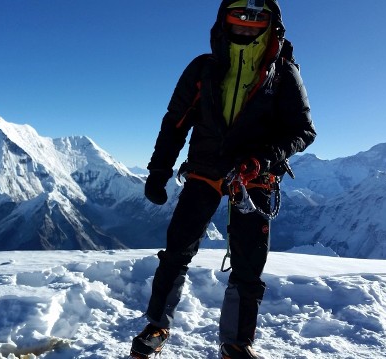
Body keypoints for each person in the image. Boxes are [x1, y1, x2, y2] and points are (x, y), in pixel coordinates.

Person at [129, 1, 316, 358]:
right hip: (206, 170)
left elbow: (303, 130)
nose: (246, 25)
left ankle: (236, 343)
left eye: (256, 19)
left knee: (248, 264)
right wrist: (158, 172)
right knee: (177, 251)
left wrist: (263, 157)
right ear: (224, 22)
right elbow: (175, 123)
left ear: (270, 24)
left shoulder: (283, 73)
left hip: (255, 177)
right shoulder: (203, 69)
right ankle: (157, 325)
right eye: (238, 18)